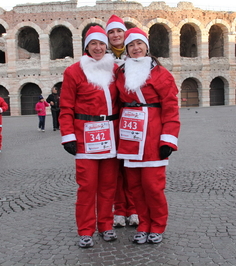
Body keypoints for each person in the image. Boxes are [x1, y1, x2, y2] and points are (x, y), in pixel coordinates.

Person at [115, 27, 180, 244]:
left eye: (139, 44)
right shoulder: (121, 72)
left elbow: (171, 108)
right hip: (130, 136)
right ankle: (144, 224)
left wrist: (168, 138)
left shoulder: (161, 74)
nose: (135, 48)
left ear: (146, 46)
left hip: (152, 135)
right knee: (135, 187)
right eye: (131, 45)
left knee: (153, 186)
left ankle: (158, 225)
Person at [59, 25, 119, 248]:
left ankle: (106, 225)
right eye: (93, 43)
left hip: (110, 134)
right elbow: (66, 107)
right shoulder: (74, 71)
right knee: (87, 186)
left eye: (101, 43)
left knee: (108, 186)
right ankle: (85, 230)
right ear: (86, 46)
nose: (98, 47)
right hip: (86, 136)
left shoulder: (114, 70)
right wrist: (68, 136)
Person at [106, 14, 139, 228]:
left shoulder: (137, 55)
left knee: (133, 167)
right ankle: (119, 209)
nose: (116, 35)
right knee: (115, 169)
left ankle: (134, 208)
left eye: (119, 31)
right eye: (111, 31)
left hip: (132, 119)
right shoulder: (100, 57)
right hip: (110, 121)